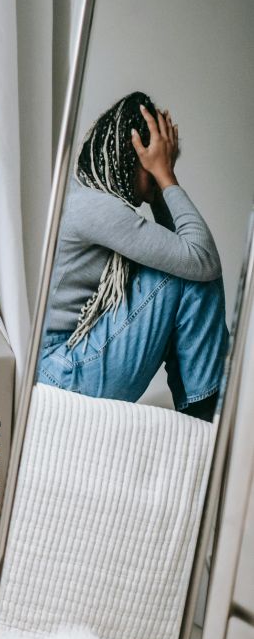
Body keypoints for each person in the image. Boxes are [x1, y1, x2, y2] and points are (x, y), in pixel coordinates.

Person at [37, 91, 227, 420]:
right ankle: (207, 411)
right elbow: (200, 258)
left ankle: (205, 408)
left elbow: (185, 252)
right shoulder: (97, 208)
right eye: (155, 161)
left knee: (188, 269)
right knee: (191, 273)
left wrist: (158, 191)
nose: (160, 170)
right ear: (135, 156)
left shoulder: (84, 193)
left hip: (57, 366)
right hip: (62, 375)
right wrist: (166, 177)